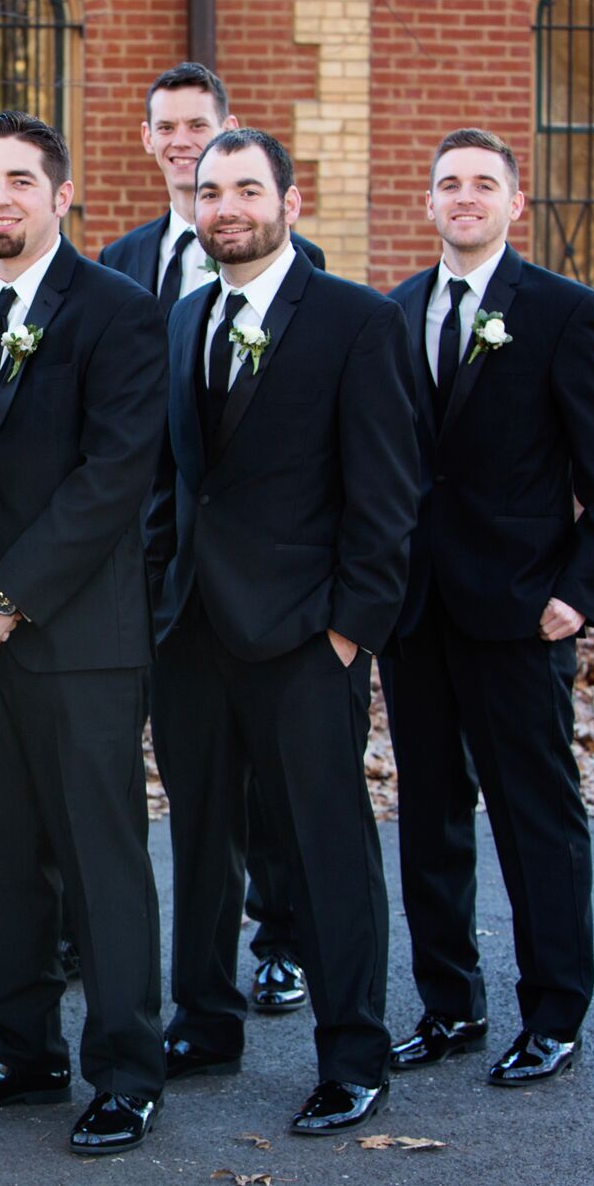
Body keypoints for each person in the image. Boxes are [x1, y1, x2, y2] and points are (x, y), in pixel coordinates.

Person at [145, 129, 419, 1135]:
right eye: (209, 190)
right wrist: (153, 601)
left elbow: (387, 494)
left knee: (323, 848)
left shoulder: (354, 321)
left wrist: (351, 630)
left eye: (245, 189)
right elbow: (175, 482)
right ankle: (203, 1018)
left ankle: (352, 1053)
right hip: (190, 632)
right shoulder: (181, 318)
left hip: (307, 636)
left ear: (288, 203)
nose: (224, 206)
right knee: (200, 835)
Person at [0, 113, 169, 1156]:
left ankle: (123, 1067)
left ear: (60, 197)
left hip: (77, 638)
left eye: (20, 180)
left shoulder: (118, 313)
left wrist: (10, 593)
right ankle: (19, 1047)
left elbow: (115, 476)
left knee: (96, 853)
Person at [380, 129, 594, 1087]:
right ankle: (449, 1004)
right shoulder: (397, 310)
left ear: (514, 203)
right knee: (430, 817)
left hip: (523, 613)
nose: (464, 196)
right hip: (417, 615)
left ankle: (555, 1013)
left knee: (536, 819)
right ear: (429, 200)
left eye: (483, 183)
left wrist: (580, 592)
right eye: (448, 182)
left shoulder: (564, 311)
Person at [100, 61, 319, 1012]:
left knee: (270, 788)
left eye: (201, 126)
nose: (183, 141)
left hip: (268, 576)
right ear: (149, 141)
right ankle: (196, 975)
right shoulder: (121, 260)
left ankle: (280, 939)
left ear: (228, 131)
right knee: (190, 783)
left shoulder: (294, 271)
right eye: (169, 128)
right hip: (154, 554)